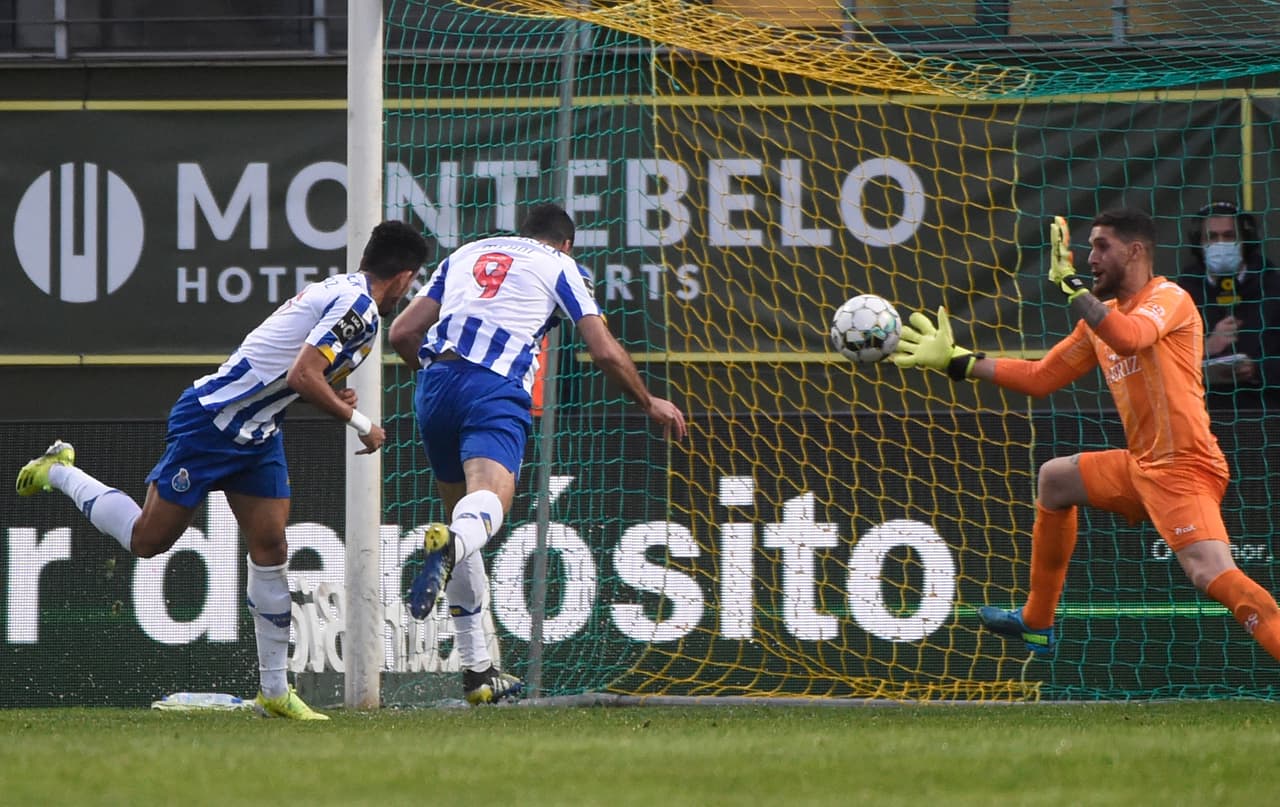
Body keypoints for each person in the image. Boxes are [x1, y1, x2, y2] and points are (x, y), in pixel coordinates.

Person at [15, 220, 429, 719]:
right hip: (214, 421)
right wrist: (359, 420)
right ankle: (60, 469)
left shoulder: (345, 295)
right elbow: (302, 372)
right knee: (148, 541)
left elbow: (301, 373)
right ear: (405, 277)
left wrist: (334, 392)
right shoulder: (359, 307)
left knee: (272, 546)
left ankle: (275, 692)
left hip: (258, 432)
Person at [892, 208, 1280, 664]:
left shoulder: (1168, 298)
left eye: (1102, 247)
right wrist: (961, 361)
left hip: (1183, 469)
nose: (1091, 258)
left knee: (1209, 572)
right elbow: (1041, 376)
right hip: (1142, 466)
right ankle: (1037, 621)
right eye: (1089, 246)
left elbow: (1132, 338)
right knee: (1056, 480)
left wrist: (1075, 290)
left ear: (1135, 252)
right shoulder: (1101, 318)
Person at [389, 202, 687, 705]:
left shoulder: (465, 253)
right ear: (565, 243)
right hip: (494, 385)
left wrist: (437, 379)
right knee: (487, 505)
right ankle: (450, 551)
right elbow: (604, 351)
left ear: (522, 231)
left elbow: (400, 333)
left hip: (434, 384)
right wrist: (647, 400)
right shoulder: (559, 266)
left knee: (462, 521)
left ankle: (478, 671)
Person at [1177, 200, 1280, 410]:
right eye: (1212, 237)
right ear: (1199, 243)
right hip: (1204, 414)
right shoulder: (1182, 294)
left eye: (1229, 236)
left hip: (1266, 413)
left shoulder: (1273, 286)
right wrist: (1206, 348)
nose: (1220, 243)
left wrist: (1257, 370)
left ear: (1246, 240)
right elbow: (1166, 362)